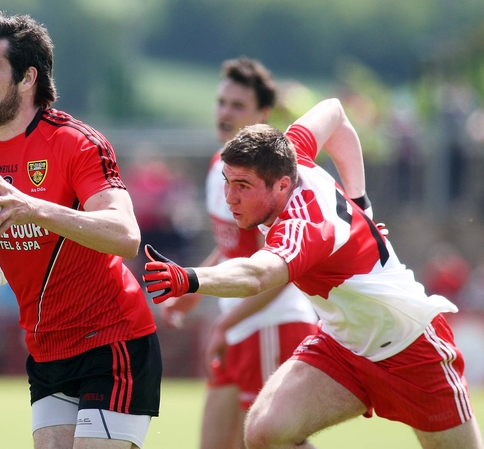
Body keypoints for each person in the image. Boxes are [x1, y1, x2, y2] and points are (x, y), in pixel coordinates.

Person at [143, 98, 483, 449]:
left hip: (409, 346)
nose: (230, 197)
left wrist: (189, 279)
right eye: (227, 182)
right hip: (343, 344)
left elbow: (258, 276)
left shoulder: (305, 225)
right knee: (264, 431)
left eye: (242, 186)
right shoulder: (288, 153)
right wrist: (361, 203)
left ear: (282, 185)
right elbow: (334, 111)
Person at [0, 12, 161, 449]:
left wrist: (33, 208)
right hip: (46, 349)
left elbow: (126, 234)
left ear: (28, 77)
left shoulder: (76, 143)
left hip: (112, 340)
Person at [160, 57, 317, 449]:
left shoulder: (270, 180)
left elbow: (282, 270)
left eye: (237, 105)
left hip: (271, 324)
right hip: (240, 325)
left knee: (279, 443)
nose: (225, 112)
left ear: (263, 115)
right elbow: (233, 247)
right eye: (221, 102)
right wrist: (191, 291)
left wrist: (225, 324)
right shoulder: (222, 167)